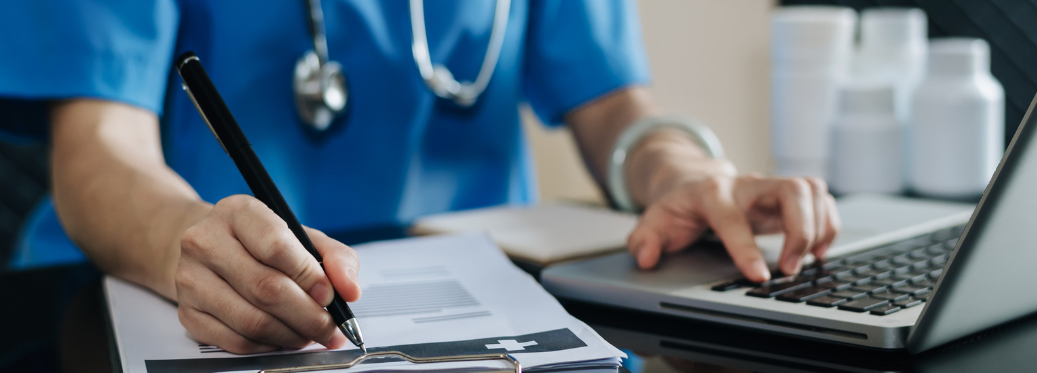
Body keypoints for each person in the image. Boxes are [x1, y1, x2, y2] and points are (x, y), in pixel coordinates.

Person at [0, 0, 839, 354]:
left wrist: (687, 172)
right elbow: (96, 147)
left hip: (479, 307)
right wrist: (178, 239)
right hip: (145, 288)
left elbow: (613, 107)